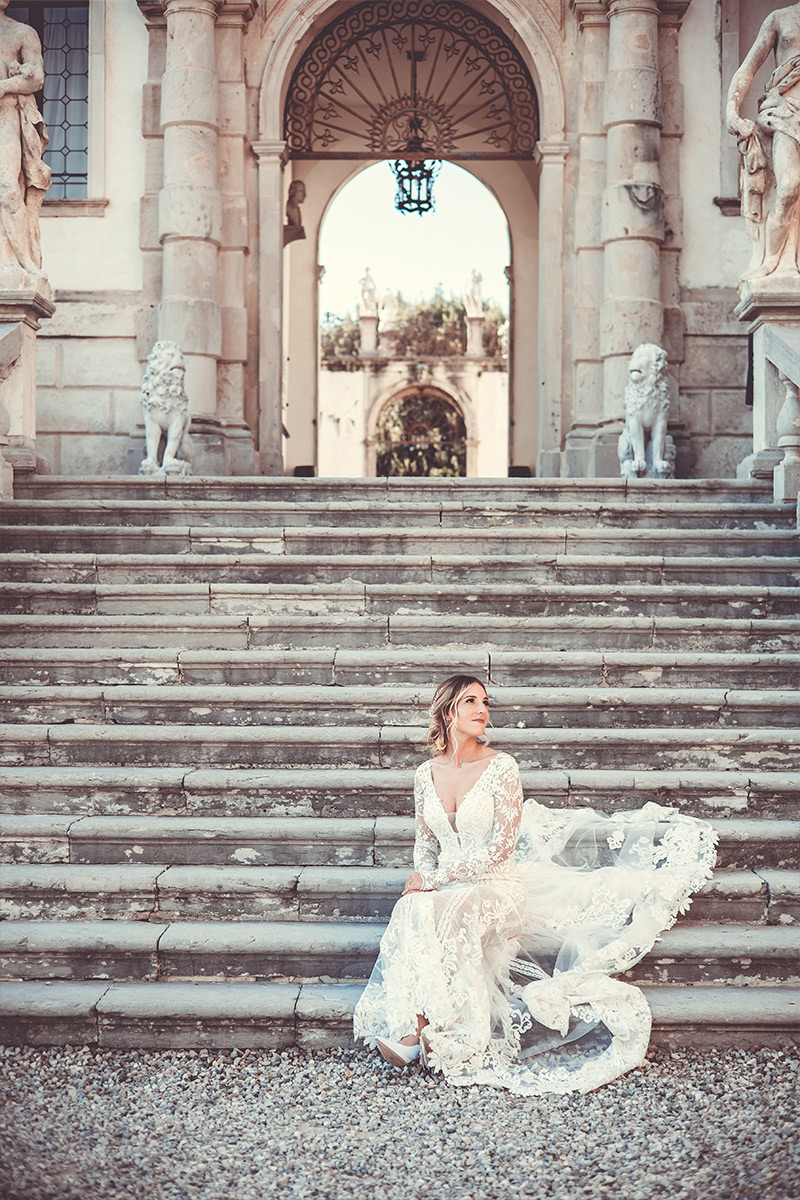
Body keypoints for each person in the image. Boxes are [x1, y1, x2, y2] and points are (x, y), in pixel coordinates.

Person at [354, 675, 717, 1095]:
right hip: (448, 887)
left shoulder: (501, 767)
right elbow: (425, 844)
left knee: (438, 907)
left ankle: (446, 1034)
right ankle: (416, 1025)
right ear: (448, 710)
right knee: (412, 907)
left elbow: (499, 850)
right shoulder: (424, 774)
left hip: (497, 887)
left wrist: (432, 880)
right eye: (470, 701)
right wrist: (425, 880)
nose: (482, 709)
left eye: (485, 702)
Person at [726, 3, 800, 279]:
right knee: (789, 187)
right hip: (787, 112)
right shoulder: (780, 18)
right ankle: (771, 260)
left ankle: (791, 262)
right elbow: (748, 69)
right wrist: (731, 112)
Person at [0, 0, 50, 276]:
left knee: (8, 186)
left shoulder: (21, 32)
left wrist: (5, 86)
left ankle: (23, 259)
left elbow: (36, 79)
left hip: (6, 116)